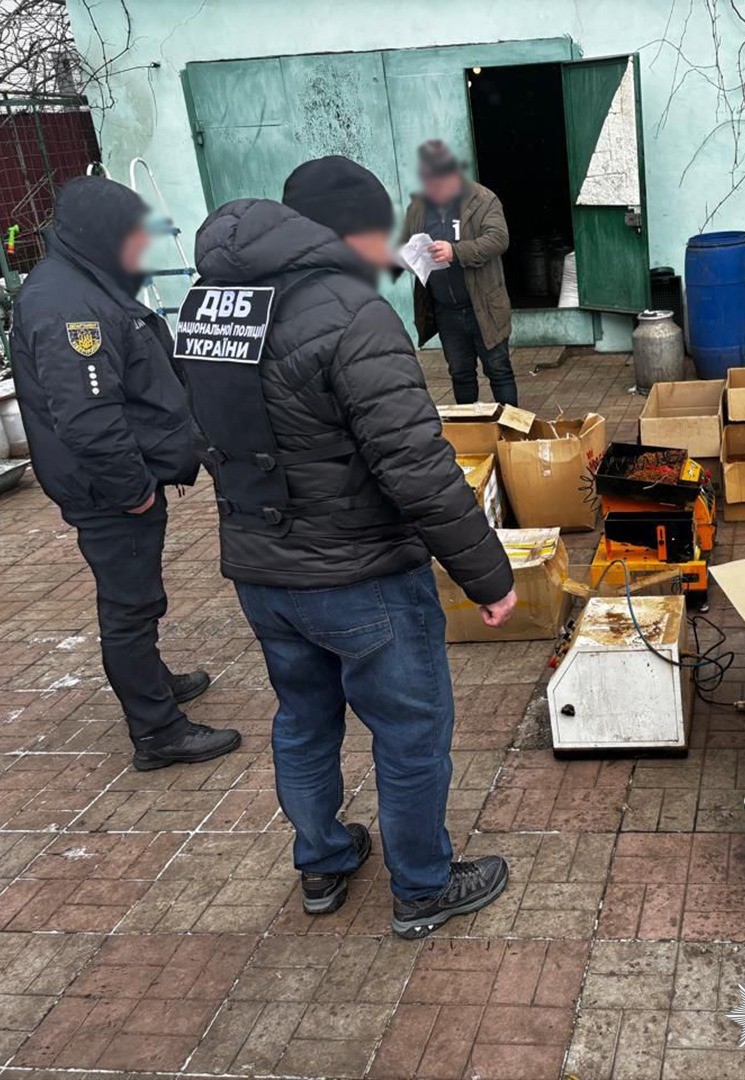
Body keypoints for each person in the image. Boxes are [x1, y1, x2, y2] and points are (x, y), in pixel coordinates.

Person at [188, 155, 517, 937]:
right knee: (409, 733)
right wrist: (489, 575)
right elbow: (416, 467)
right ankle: (423, 887)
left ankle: (324, 863)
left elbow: (205, 434)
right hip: (361, 576)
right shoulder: (352, 314)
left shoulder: (211, 306)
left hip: (263, 574)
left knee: (302, 720)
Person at [9, 176, 241, 771]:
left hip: (119, 480)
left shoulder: (86, 279)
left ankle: (154, 681)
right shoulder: (67, 306)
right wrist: (133, 490)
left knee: (138, 597)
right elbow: (87, 419)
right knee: (130, 606)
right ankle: (158, 731)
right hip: (109, 491)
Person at [401, 140, 518, 406]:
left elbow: (499, 239)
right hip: (446, 312)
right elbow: (406, 242)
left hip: (483, 307)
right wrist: (408, 259)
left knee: (499, 372)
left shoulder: (482, 200)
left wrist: (456, 252)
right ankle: (472, 435)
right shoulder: (418, 207)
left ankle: (513, 438)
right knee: (461, 375)